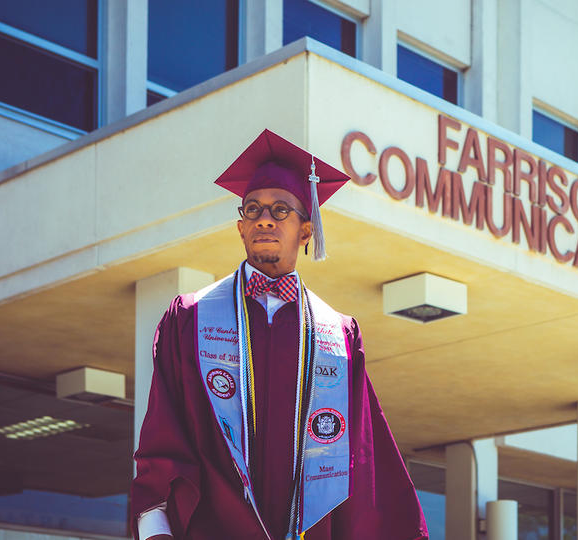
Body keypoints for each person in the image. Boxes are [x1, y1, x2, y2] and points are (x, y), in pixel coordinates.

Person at [131, 129, 428, 540]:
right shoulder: (190, 318)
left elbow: (363, 457)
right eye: (252, 209)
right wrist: (154, 527)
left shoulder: (337, 335)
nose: (264, 219)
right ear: (240, 228)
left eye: (280, 210)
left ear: (307, 232)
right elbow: (164, 432)